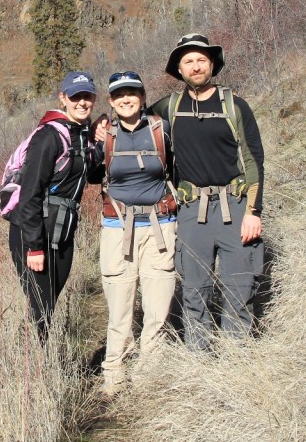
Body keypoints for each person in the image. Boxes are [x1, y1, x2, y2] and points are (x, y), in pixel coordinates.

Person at [148, 33, 265, 350]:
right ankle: (198, 357)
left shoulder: (235, 106)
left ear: (212, 64)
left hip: (236, 206)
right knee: (194, 288)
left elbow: (254, 159)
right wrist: (106, 125)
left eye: (201, 59)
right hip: (191, 209)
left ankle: (236, 358)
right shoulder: (168, 108)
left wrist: (254, 212)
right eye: (188, 61)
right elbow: (135, 123)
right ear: (179, 70)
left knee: (239, 286)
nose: (196, 66)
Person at [94, 71, 177, 395]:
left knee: (157, 307)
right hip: (117, 229)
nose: (126, 99)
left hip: (160, 227)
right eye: (119, 94)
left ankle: (148, 375)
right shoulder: (106, 136)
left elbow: (179, 169)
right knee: (119, 307)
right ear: (112, 101)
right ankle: (114, 373)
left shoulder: (160, 130)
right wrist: (94, 137)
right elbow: (90, 175)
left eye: (131, 92)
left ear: (143, 97)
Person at [7, 71, 98, 342]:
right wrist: (34, 246)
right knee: (41, 305)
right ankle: (34, 366)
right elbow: (30, 193)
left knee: (47, 302)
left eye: (87, 96)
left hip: (62, 232)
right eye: (75, 96)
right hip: (34, 232)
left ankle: (30, 352)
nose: (82, 102)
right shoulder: (49, 136)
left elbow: (89, 173)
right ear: (63, 98)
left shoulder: (82, 134)